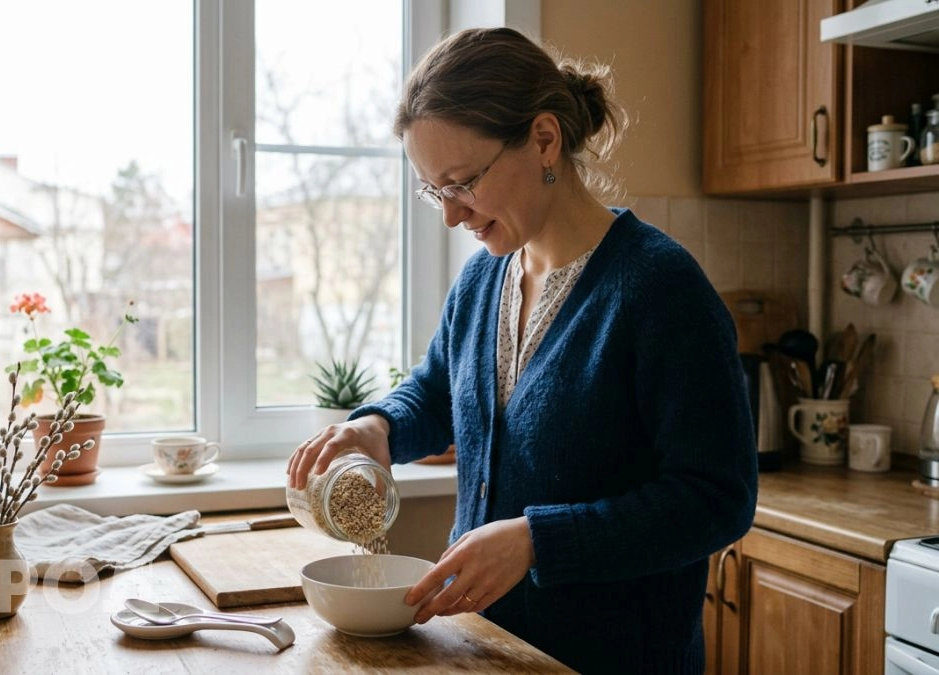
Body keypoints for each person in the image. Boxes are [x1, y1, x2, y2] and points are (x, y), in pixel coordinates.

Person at [287, 27, 757, 673]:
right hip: (484, 648)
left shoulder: (659, 288)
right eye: (434, 191)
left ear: (543, 139)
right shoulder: (484, 278)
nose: (451, 215)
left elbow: (716, 499)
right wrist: (381, 426)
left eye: (462, 182)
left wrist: (538, 540)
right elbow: (439, 391)